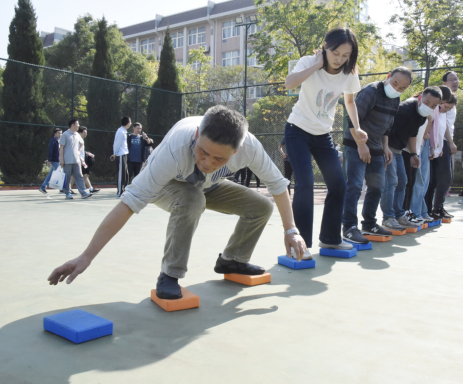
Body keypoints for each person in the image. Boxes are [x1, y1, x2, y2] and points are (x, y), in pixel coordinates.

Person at [48, 106, 308, 298]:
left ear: (237, 151)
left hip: (207, 185)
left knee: (262, 206)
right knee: (192, 199)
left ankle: (233, 260)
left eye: (219, 159)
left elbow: (278, 186)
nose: (207, 162)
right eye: (203, 152)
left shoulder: (250, 147)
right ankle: (169, 274)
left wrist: (291, 231)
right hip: (169, 185)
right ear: (196, 134)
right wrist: (87, 256)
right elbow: (129, 203)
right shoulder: (175, 149)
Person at [284, 27, 364, 251]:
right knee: (305, 184)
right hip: (297, 130)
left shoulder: (349, 73)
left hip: (322, 135)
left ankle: (330, 239)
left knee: (338, 185)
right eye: (335, 53)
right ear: (326, 47)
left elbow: (349, 101)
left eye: (346, 55)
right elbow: (289, 83)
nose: (339, 59)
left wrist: (357, 128)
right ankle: (300, 246)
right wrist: (317, 65)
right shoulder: (309, 62)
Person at [341, 66, 413, 243]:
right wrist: (361, 145)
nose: (397, 89)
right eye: (395, 83)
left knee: (378, 187)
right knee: (355, 186)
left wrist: (385, 147)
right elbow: (352, 118)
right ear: (388, 76)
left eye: (402, 88)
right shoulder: (371, 91)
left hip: (375, 147)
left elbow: (387, 126)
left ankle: (369, 224)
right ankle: (349, 227)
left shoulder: (395, 99)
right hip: (355, 143)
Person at [380, 86, 443, 231]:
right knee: (391, 182)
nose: (429, 107)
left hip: (399, 150)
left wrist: (414, 154)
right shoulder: (403, 109)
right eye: (427, 102)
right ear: (420, 98)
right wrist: (385, 149)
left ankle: (399, 215)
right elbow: (385, 129)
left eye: (433, 106)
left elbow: (413, 134)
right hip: (387, 147)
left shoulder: (422, 116)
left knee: (403, 181)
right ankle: (388, 217)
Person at [430, 72, 459, 219]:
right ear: (444, 83)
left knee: (444, 177)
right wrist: (450, 142)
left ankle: (437, 207)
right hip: (442, 141)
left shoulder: (451, 101)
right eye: (451, 79)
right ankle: (435, 209)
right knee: (443, 177)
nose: (455, 81)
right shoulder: (442, 102)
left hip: (444, 141)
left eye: (456, 79)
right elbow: (443, 124)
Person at [59, 119, 92, 200]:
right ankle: (67, 193)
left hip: (76, 160)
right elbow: (61, 147)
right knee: (67, 178)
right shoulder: (65, 134)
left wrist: (79, 151)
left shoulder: (77, 134)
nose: (78, 125)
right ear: (72, 125)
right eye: (77, 124)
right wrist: (61, 159)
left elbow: (82, 143)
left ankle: (84, 192)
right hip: (67, 161)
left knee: (79, 176)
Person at [111, 116, 131, 198]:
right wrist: (115, 154)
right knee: (121, 175)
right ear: (128, 123)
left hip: (124, 155)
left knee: (125, 174)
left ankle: (125, 191)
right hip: (120, 155)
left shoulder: (123, 131)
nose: (131, 123)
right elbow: (116, 144)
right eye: (130, 122)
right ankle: (120, 192)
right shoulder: (121, 132)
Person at [75, 126, 99, 194]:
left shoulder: (81, 140)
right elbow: (76, 151)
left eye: (86, 133)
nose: (86, 134)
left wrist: (86, 153)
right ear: (80, 133)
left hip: (82, 161)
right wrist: (79, 159)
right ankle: (67, 189)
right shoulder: (78, 140)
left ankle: (91, 188)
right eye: (84, 133)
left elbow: (80, 151)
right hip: (79, 160)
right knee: (76, 176)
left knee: (85, 175)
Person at [39, 128, 62, 194]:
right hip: (54, 161)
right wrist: (49, 160)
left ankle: (43, 187)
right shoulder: (53, 141)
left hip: (57, 160)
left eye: (61, 133)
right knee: (60, 174)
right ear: (55, 134)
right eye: (58, 133)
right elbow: (50, 151)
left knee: (51, 174)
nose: (60, 134)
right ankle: (62, 189)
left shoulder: (58, 141)